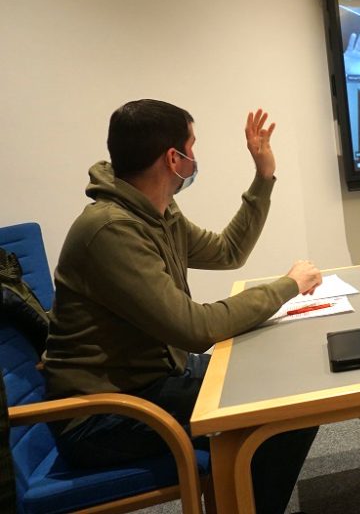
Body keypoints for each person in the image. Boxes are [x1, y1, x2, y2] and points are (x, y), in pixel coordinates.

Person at [43, 100, 323, 514]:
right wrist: (287, 286)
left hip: (157, 378)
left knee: (285, 384)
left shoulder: (159, 211)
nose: (196, 157)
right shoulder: (110, 231)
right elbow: (195, 327)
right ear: (174, 159)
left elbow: (228, 251)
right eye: (192, 146)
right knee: (284, 411)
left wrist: (264, 176)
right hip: (103, 414)